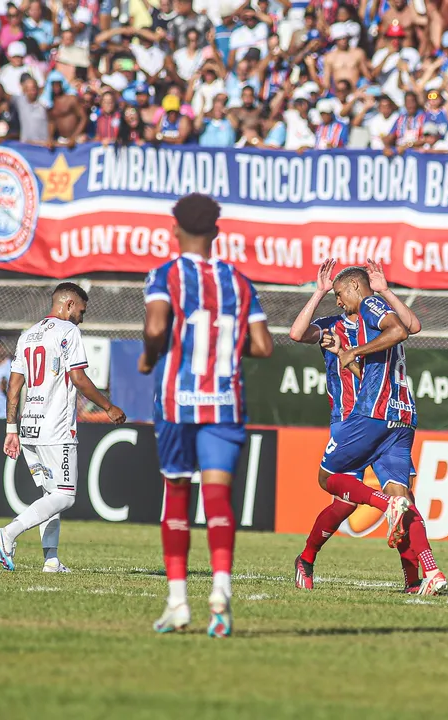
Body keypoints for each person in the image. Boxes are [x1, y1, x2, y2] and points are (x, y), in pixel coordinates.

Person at [139, 194, 273, 637]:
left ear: (174, 230)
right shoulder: (238, 281)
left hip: (178, 400)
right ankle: (221, 590)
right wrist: (226, 345)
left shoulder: (166, 274)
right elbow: (263, 346)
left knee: (177, 493)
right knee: (217, 498)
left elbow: (157, 327)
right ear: (216, 233)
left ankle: (178, 601)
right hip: (225, 402)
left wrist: (148, 356)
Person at [289, 260, 442, 594]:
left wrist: (383, 291)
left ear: (354, 290)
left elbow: (409, 327)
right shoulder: (333, 326)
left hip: (375, 413)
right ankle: (307, 559)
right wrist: (318, 293)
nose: (338, 301)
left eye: (340, 295)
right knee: (345, 504)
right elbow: (297, 333)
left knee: (399, 498)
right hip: (350, 418)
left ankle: (414, 578)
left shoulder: (376, 321)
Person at [0, 283, 126, 574]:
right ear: (68, 304)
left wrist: (11, 429)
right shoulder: (68, 332)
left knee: (50, 496)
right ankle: (9, 533)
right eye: (81, 310)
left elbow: (14, 386)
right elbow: (78, 378)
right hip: (56, 428)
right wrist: (108, 406)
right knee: (64, 496)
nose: (82, 317)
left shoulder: (28, 336)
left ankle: (51, 560)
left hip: (29, 427)